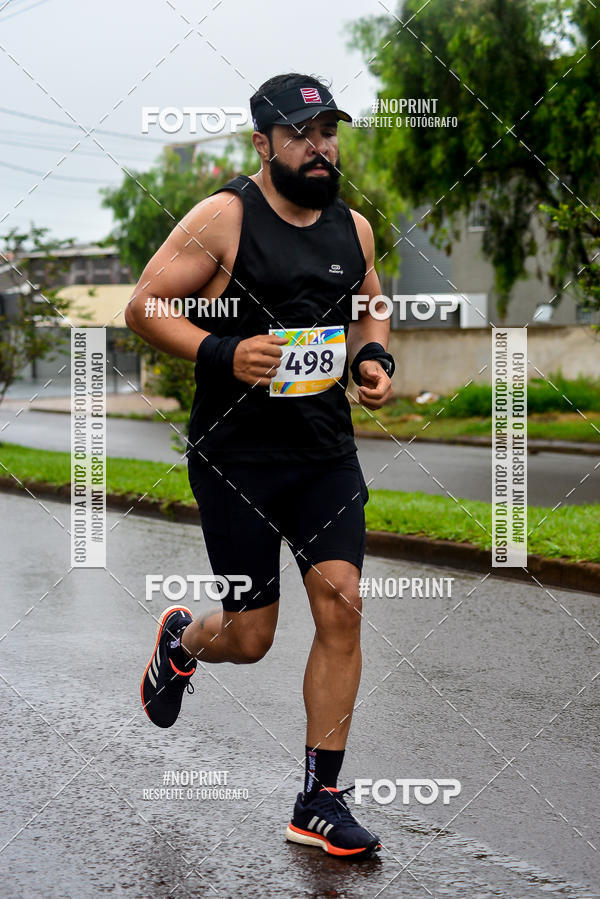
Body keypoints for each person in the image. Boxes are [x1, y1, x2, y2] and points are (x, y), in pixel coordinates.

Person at [126, 72, 395, 859]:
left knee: (341, 604)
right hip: (237, 456)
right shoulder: (224, 217)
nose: (321, 147)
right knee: (251, 637)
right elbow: (143, 303)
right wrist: (222, 350)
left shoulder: (354, 227)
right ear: (263, 143)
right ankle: (182, 642)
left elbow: (370, 299)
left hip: (324, 453)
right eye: (303, 133)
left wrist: (372, 353)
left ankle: (320, 798)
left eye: (329, 131)